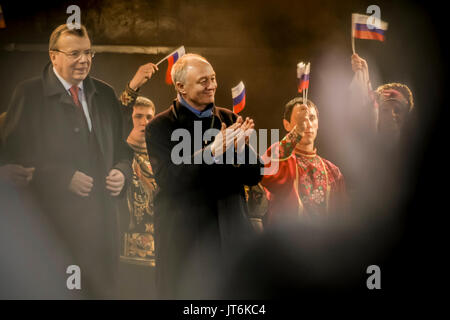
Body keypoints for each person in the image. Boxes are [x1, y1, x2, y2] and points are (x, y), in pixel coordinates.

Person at [0, 24, 133, 298]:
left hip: (102, 231)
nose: (83, 60)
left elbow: (122, 151)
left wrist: (122, 173)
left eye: (88, 53)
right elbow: (11, 163)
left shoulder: (106, 95)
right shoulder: (29, 95)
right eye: (74, 53)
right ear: (53, 56)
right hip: (50, 231)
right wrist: (60, 177)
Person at [145, 53, 263, 298]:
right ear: (180, 87)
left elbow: (254, 176)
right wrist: (211, 152)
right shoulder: (159, 127)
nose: (212, 85)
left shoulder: (229, 119)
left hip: (232, 237)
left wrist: (242, 149)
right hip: (187, 242)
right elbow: (168, 179)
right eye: (203, 81)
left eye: (213, 78)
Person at [260, 97, 347, 224]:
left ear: (318, 123)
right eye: (301, 119)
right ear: (287, 124)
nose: (307, 124)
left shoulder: (333, 172)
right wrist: (297, 131)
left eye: (311, 118)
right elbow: (266, 173)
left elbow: (344, 218)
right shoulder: (281, 158)